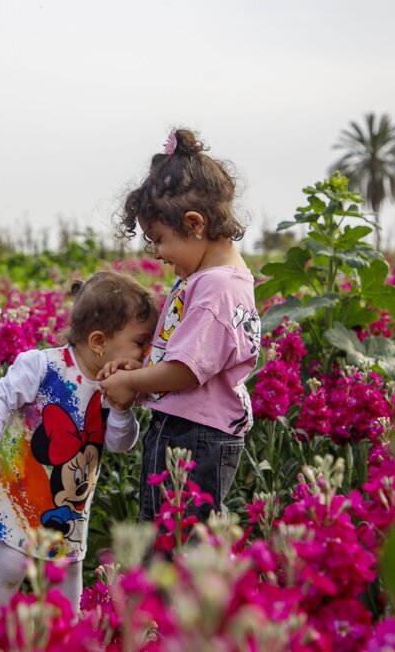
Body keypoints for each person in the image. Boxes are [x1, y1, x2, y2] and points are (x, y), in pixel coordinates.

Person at [0, 271, 159, 650]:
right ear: (99, 341)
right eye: (139, 343)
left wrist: (120, 409)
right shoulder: (42, 365)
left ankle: (70, 635)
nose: (145, 353)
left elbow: (119, 444)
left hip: (69, 503)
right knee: (10, 568)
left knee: (68, 572)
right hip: (21, 489)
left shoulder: (113, 386)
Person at [99, 127, 261, 525]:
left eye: (159, 240)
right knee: (171, 536)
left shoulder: (217, 286)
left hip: (194, 436)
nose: (158, 254)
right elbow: (185, 358)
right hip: (191, 428)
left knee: (175, 543)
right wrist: (141, 372)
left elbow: (187, 371)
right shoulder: (206, 280)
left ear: (194, 224)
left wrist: (131, 384)